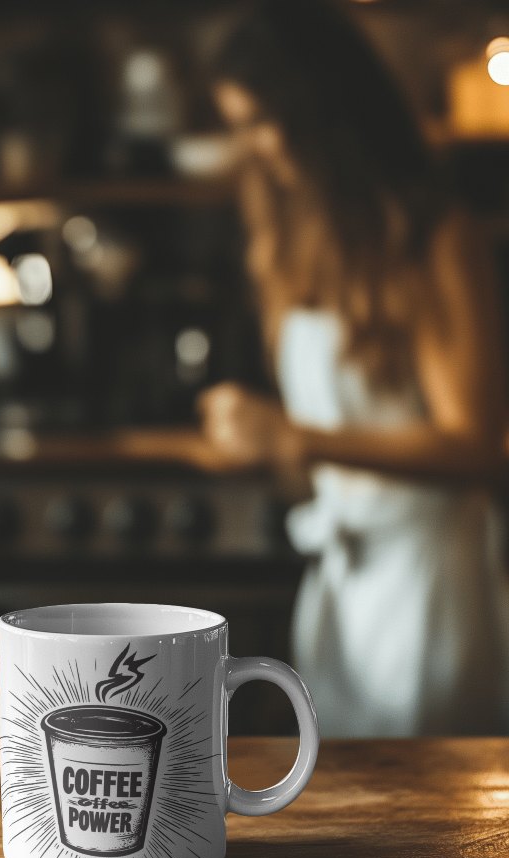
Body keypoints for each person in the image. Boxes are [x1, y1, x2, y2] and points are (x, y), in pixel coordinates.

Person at [197, 0, 509, 736]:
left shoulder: (434, 237)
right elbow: (318, 448)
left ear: (329, 114)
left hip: (428, 589)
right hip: (341, 583)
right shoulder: (291, 239)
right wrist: (261, 448)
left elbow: (473, 443)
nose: (258, 146)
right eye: (239, 125)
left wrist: (295, 437)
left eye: (267, 121)